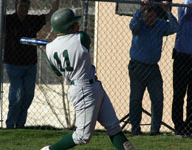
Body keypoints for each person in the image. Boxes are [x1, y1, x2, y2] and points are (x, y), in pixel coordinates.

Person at [41, 8, 135, 150]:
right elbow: (80, 40)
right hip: (84, 89)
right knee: (82, 136)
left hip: (92, 86)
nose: (78, 24)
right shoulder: (81, 38)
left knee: (114, 127)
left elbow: (58, 72)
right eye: (74, 23)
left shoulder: (50, 49)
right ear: (67, 27)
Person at [4, 0, 59, 129]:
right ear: (16, 6)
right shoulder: (8, 20)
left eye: (26, 6)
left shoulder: (32, 20)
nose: (23, 9)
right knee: (17, 95)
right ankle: (10, 124)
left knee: (28, 94)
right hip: (13, 64)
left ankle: (20, 125)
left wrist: (56, 2)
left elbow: (50, 15)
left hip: (30, 64)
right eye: (21, 6)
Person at [128, 0, 179, 136]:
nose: (150, 19)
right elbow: (133, 26)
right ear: (143, 15)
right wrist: (140, 10)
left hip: (153, 68)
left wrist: (167, 11)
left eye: (152, 16)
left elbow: (174, 28)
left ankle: (154, 130)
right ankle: (135, 128)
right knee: (136, 98)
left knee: (157, 98)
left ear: (156, 16)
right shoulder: (139, 25)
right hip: (137, 66)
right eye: (147, 16)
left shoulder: (160, 25)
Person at [172, 0, 192, 137]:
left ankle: (189, 127)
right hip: (182, 55)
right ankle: (179, 127)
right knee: (179, 93)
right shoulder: (185, 5)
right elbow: (187, 8)